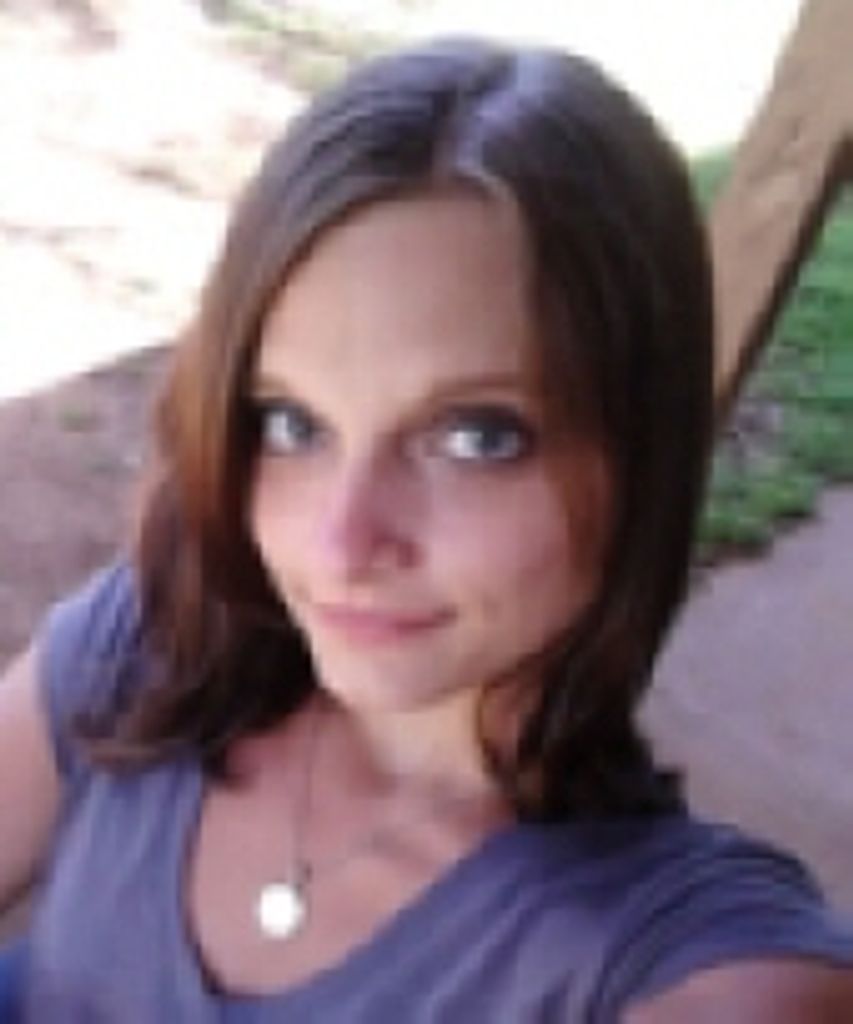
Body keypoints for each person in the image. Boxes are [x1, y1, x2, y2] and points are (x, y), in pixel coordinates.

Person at [0, 36, 852, 1022]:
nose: (340, 545)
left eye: (476, 436)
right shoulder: (152, 648)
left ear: (639, 452)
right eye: (291, 423)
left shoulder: (674, 964)